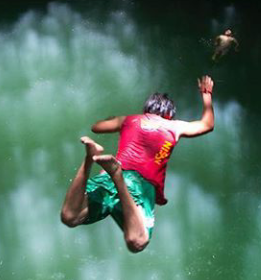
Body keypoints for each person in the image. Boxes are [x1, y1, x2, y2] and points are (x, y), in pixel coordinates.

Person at [60, 76, 215, 254]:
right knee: (137, 242)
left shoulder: (129, 120)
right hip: (139, 186)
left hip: (105, 177)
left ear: (146, 109)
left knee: (70, 216)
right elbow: (207, 125)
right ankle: (117, 176)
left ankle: (90, 158)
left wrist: (114, 119)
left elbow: (97, 127)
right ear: (169, 114)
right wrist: (206, 94)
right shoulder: (175, 126)